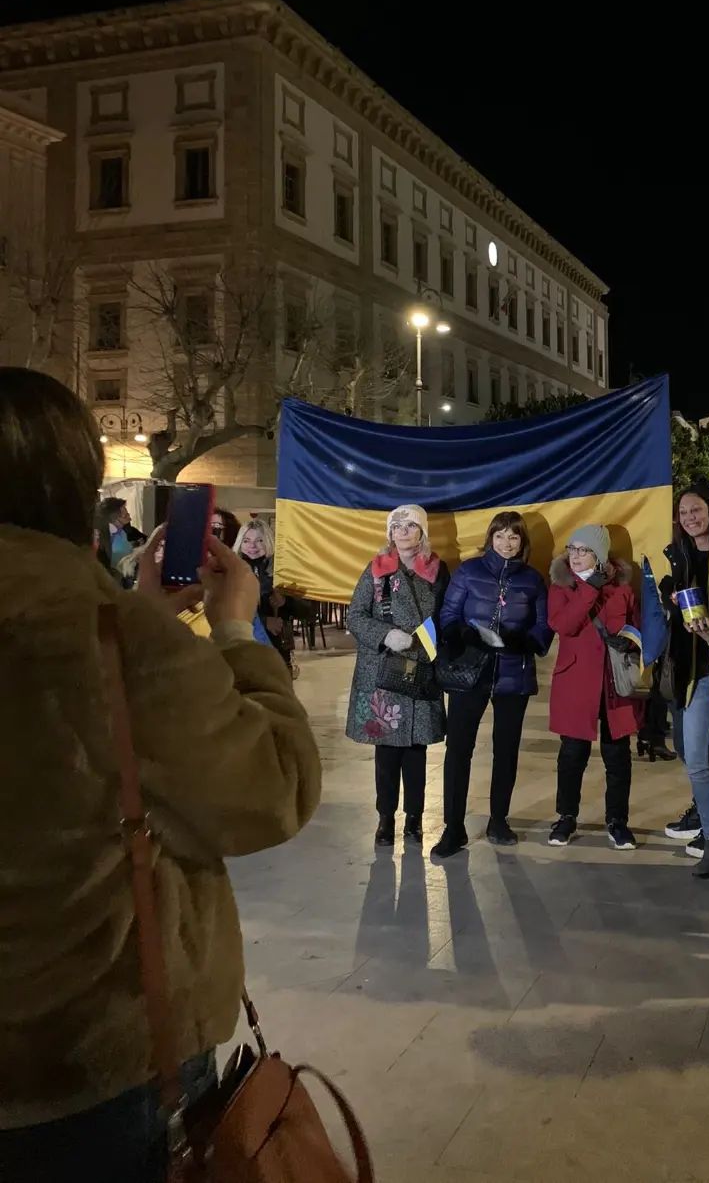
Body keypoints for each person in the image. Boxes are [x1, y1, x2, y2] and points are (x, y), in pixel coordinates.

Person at [0, 368, 321, 1183]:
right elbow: (272, 789)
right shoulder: (107, 640)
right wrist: (237, 630)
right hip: (91, 1066)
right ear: (71, 482)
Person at [431, 511, 552, 859]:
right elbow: (448, 617)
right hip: (470, 674)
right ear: (490, 538)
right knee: (459, 751)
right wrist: (469, 636)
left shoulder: (532, 580)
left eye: (513, 537)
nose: (506, 543)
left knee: (506, 750)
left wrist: (521, 642)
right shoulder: (468, 572)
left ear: (522, 542)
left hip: (514, 675)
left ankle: (499, 820)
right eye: (500, 536)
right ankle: (453, 828)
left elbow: (544, 627)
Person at [345, 504, 449, 848]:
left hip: (419, 669)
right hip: (383, 671)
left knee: (416, 751)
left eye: (410, 525)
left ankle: (415, 819)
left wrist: (431, 642)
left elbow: (448, 616)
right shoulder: (375, 571)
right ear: (389, 533)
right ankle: (386, 818)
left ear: (422, 532)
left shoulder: (437, 571)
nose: (402, 531)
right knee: (387, 753)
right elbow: (355, 616)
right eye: (397, 526)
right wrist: (385, 634)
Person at [547, 524, 642, 850]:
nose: (575, 556)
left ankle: (618, 821)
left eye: (583, 550)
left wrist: (630, 641)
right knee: (572, 753)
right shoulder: (561, 586)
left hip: (614, 683)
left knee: (617, 757)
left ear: (599, 554)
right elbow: (563, 625)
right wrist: (589, 590)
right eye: (572, 549)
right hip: (576, 682)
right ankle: (566, 816)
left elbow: (637, 627)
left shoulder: (623, 588)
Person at [662, 482, 709, 878]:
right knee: (695, 758)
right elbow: (670, 597)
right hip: (699, 670)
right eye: (684, 512)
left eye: (697, 510)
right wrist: (671, 599)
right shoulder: (681, 555)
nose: (691, 518)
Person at [234, 517, 294, 669]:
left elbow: (307, 610)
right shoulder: (231, 572)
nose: (252, 546)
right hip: (244, 649)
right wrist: (264, 621)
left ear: (268, 541)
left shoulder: (281, 570)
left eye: (259, 540)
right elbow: (230, 611)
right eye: (246, 540)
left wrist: (285, 602)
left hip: (278, 649)